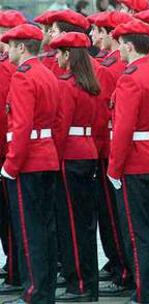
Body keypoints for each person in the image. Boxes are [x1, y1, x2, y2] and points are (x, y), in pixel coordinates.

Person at [107, 19, 149, 304]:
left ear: (129, 46)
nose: (118, 49)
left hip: (135, 161)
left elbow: (123, 129)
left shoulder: (130, 77)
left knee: (138, 234)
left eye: (121, 44)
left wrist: (114, 168)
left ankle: (146, 294)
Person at [0, 24, 60, 304]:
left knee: (29, 231)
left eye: (11, 45)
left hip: (28, 161)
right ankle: (44, 289)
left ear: (21, 48)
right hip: (46, 156)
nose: (7, 50)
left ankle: (34, 292)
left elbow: (21, 127)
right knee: (45, 229)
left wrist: (10, 165)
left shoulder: (23, 77)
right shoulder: (47, 73)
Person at [49, 32, 101, 303]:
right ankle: (87, 282)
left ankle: (79, 283)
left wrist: (52, 158)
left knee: (71, 223)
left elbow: (60, 126)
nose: (56, 57)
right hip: (87, 152)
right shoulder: (88, 84)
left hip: (69, 155)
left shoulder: (67, 86)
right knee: (84, 223)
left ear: (69, 55)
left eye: (60, 52)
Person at [91, 11, 133, 295]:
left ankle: (123, 269)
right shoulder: (116, 64)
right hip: (122, 146)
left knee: (115, 217)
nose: (93, 37)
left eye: (97, 31)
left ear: (110, 34)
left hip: (111, 147)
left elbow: (101, 112)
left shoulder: (109, 68)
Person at [0, 10, 27, 295]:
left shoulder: (9, 68)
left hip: (8, 149)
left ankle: (16, 271)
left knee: (11, 217)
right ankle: (14, 267)